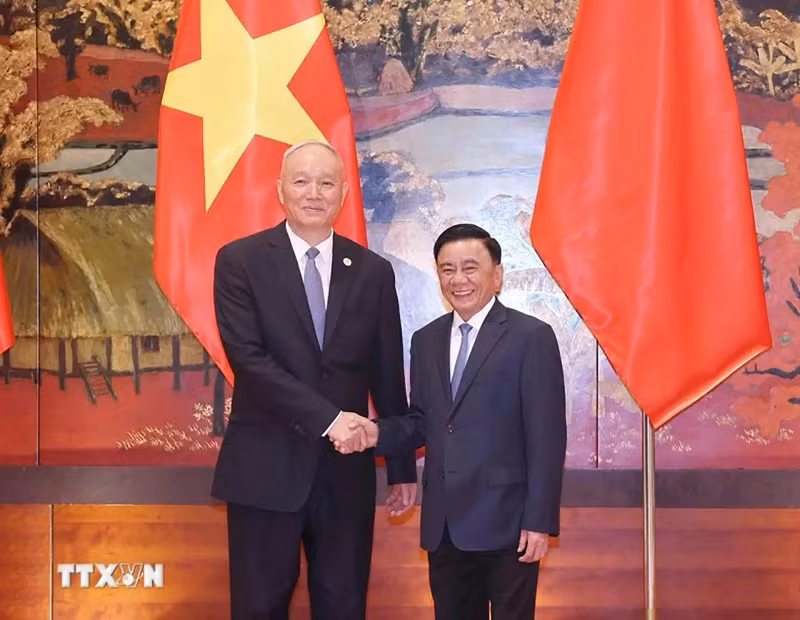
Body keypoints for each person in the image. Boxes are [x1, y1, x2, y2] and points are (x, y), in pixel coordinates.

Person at [211, 140, 418, 620]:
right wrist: (330, 420)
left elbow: (386, 370)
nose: (313, 192)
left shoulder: (372, 271)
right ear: (279, 190)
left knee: (344, 607)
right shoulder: (240, 260)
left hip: (345, 476)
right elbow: (249, 360)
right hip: (264, 468)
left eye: (326, 183)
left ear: (344, 193)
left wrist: (402, 465)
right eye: (301, 181)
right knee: (259, 608)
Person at [337, 223, 567, 620]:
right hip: (444, 526)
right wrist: (376, 432)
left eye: (470, 267)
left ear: (497, 275)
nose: (458, 279)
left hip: (509, 525)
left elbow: (547, 438)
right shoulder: (425, 340)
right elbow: (424, 423)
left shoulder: (531, 337)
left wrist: (539, 521)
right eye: (447, 269)